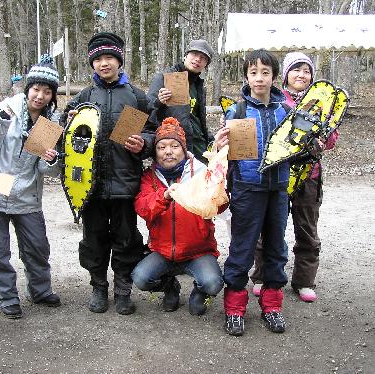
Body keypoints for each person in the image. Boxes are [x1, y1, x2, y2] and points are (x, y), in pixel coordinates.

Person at [60, 32, 154, 315]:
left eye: (109, 57)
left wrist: (144, 143)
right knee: (94, 239)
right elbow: (58, 135)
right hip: (91, 186)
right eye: (98, 59)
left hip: (126, 184)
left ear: (119, 61)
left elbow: (155, 132)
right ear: (92, 64)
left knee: (127, 238)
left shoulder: (137, 97)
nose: (104, 63)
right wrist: (61, 133)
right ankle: (98, 286)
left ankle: (123, 290)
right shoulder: (82, 99)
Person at [0, 55, 61, 319]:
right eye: (36, 89)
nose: (40, 96)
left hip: (27, 192)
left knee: (37, 246)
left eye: (47, 92)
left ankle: (40, 289)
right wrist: (0, 124)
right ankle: (6, 297)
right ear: (28, 88)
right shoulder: (7, 108)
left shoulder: (49, 122)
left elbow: (44, 169)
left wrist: (53, 160)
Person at [250, 52, 338, 303]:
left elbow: (331, 136)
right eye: (296, 70)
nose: (301, 75)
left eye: (306, 71)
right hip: (277, 172)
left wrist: (324, 139)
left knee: (307, 228)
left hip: (309, 174)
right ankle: (261, 275)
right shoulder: (275, 100)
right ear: (286, 74)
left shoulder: (321, 102)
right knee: (268, 225)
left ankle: (304, 280)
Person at [215, 50, 289, 336]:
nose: (259, 78)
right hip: (247, 188)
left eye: (265, 72)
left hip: (279, 188)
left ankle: (272, 305)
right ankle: (234, 308)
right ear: (246, 76)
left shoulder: (285, 111)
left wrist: (311, 147)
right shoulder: (238, 111)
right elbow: (222, 154)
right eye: (254, 72)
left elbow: (295, 150)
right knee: (243, 247)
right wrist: (218, 143)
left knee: (275, 247)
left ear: (273, 76)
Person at [132, 117, 225, 315]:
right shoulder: (149, 178)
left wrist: (220, 189)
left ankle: (201, 293)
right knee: (140, 278)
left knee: (213, 283)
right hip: (163, 251)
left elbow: (221, 206)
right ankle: (169, 287)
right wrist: (164, 196)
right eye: (162, 147)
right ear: (155, 152)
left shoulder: (202, 173)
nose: (168, 151)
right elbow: (143, 208)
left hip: (199, 251)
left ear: (184, 149)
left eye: (174, 146)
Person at [147, 39, 215, 163]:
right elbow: (147, 111)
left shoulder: (199, 86)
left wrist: (210, 139)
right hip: (174, 149)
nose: (197, 59)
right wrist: (159, 101)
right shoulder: (164, 78)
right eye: (194, 54)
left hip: (200, 149)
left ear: (206, 64)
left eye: (203, 58)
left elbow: (198, 120)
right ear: (185, 56)